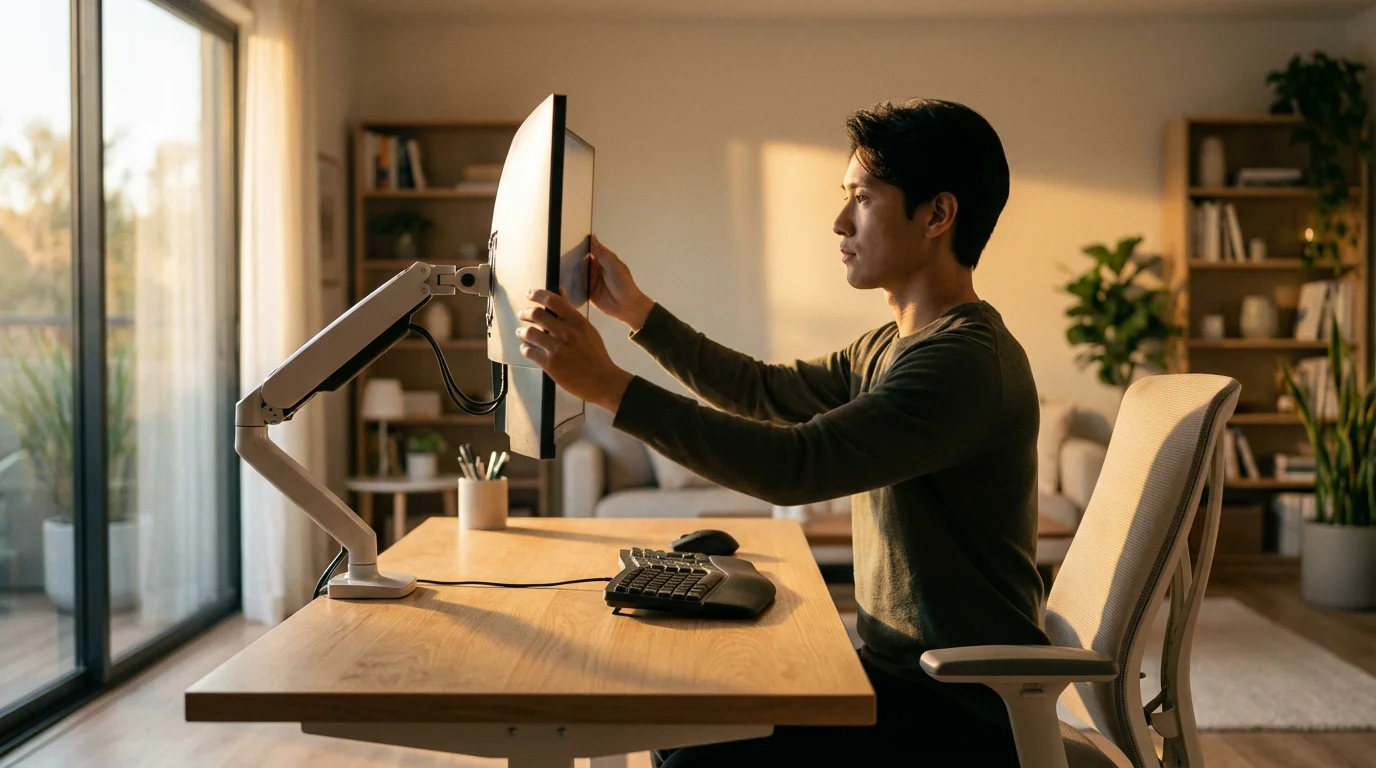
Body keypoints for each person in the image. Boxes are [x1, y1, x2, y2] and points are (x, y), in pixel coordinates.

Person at [515, 99, 1046, 766]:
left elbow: (793, 466)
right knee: (689, 713)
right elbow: (765, 391)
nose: (839, 221)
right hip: (904, 679)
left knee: (692, 749)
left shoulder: (961, 363)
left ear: (937, 215)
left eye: (863, 198)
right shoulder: (896, 344)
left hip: (960, 714)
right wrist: (638, 313)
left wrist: (607, 387)